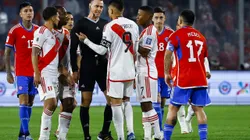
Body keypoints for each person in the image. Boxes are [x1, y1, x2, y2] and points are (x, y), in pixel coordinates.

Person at [75, 0, 139, 139]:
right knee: (127, 101)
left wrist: (85, 41)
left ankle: (121, 136)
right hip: (130, 71)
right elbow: (136, 50)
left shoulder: (109, 26)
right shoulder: (134, 25)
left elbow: (102, 50)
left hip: (115, 71)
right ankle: (130, 132)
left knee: (115, 104)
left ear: (110, 11)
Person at [163, 9, 211, 140]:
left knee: (173, 109)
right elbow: (204, 58)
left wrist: (167, 73)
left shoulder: (176, 35)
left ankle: (166, 138)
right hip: (200, 79)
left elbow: (167, 55)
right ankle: (203, 138)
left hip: (183, 78)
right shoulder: (201, 37)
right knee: (199, 110)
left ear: (180, 20)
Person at [70, 0, 113, 139]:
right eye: (96, 6)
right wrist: (75, 70)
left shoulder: (106, 25)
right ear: (90, 6)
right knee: (86, 100)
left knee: (111, 100)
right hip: (87, 65)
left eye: (101, 7)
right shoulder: (81, 23)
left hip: (103, 65)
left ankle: (104, 132)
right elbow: (72, 49)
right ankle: (87, 136)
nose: (99, 9)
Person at [4, 2, 38, 140]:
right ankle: (27, 133)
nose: (29, 13)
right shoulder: (14, 30)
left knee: (30, 102)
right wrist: (8, 72)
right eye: (26, 11)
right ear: (20, 14)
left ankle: (21, 134)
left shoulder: (38, 30)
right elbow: (7, 53)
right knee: (23, 101)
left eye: (31, 10)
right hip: (21, 72)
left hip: (35, 72)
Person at [152, 7, 189, 135]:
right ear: (152, 18)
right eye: (156, 17)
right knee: (156, 101)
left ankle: (160, 128)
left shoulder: (171, 34)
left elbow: (177, 53)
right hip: (152, 74)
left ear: (165, 19)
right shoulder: (147, 33)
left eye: (161, 17)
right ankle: (159, 131)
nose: (158, 20)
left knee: (162, 103)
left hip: (166, 74)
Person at [31, 7, 60, 140]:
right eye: (58, 16)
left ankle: (44, 136)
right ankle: (43, 137)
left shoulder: (53, 33)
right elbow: (34, 53)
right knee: (52, 102)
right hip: (44, 73)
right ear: (53, 17)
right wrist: (36, 73)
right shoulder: (41, 31)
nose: (59, 18)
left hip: (54, 74)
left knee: (51, 105)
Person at [136, 6, 162, 140]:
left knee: (147, 105)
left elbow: (145, 52)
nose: (137, 17)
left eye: (140, 15)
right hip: (142, 72)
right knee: (144, 106)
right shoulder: (145, 31)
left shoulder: (151, 31)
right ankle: (147, 136)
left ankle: (158, 135)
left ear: (148, 16)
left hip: (146, 72)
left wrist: (132, 43)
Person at [49, 6, 76, 139]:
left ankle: (61, 135)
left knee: (69, 103)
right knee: (51, 105)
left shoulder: (67, 33)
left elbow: (71, 55)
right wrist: (61, 70)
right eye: (63, 14)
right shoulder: (48, 32)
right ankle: (44, 134)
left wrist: (73, 71)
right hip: (53, 73)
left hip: (67, 72)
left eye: (69, 16)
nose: (66, 17)